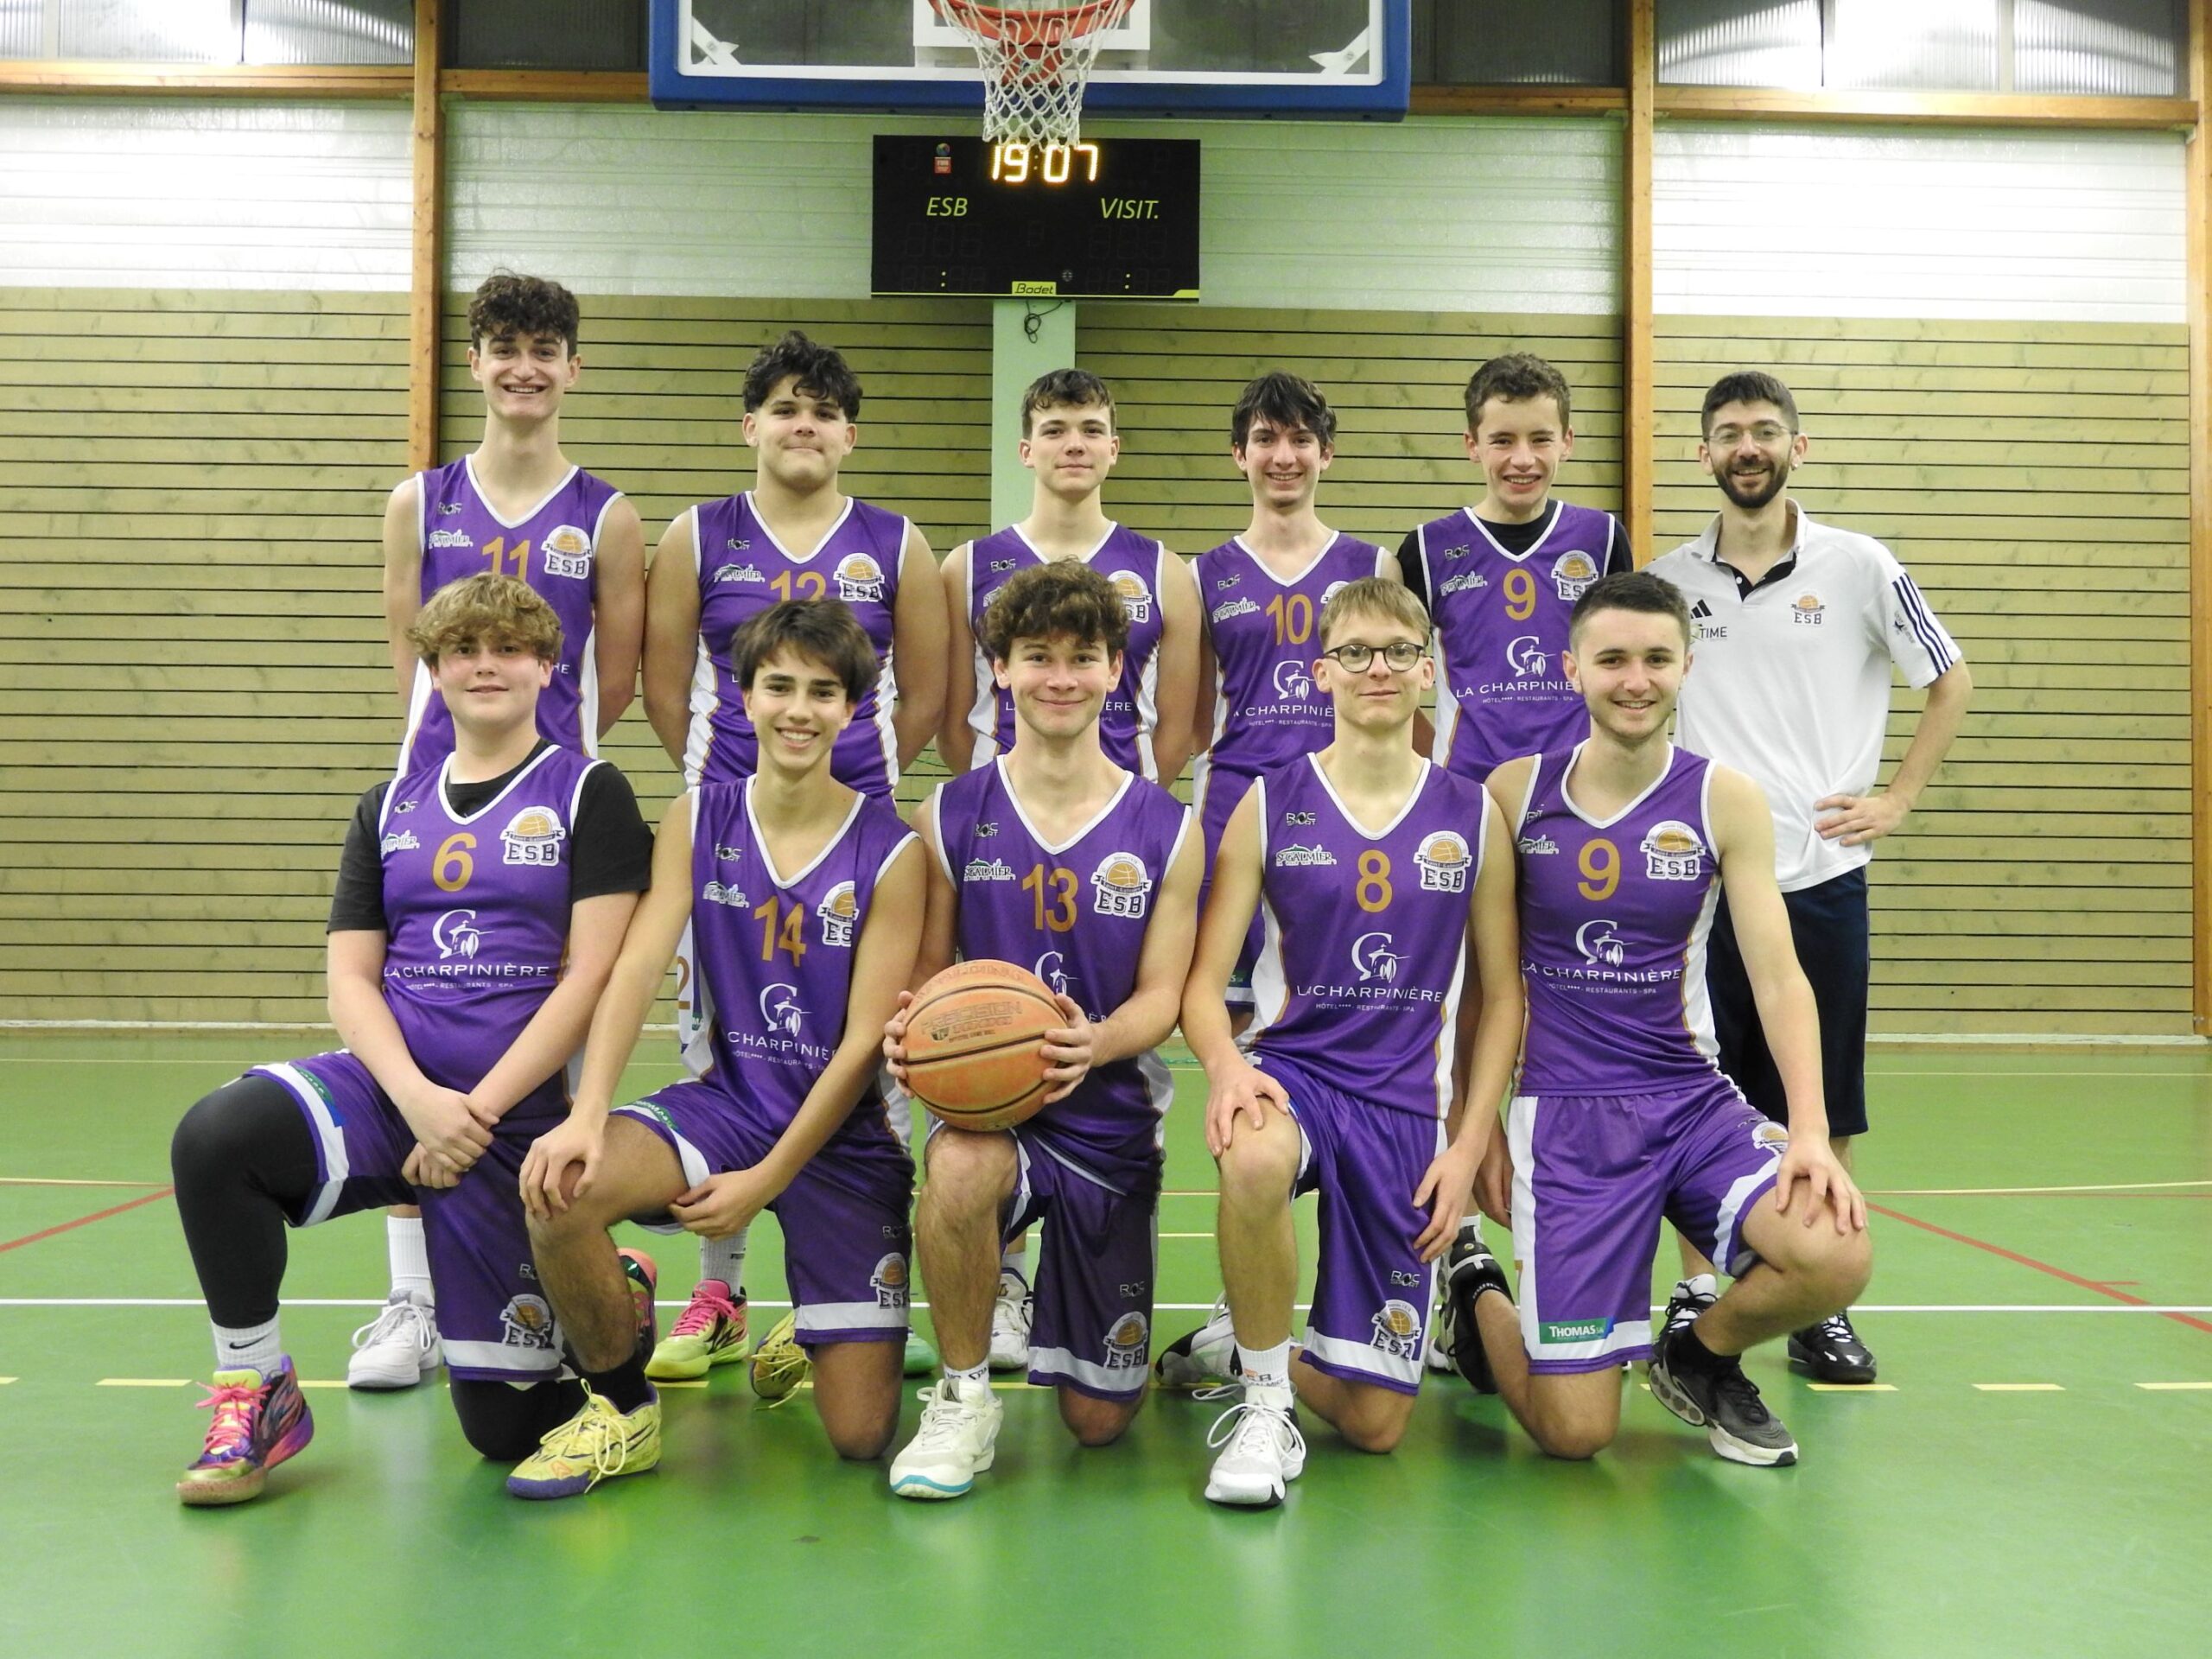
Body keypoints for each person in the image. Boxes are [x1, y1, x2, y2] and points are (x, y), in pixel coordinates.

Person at [168, 575, 652, 1504]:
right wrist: (420, 1103)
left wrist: (474, 1114)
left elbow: (591, 977)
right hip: (397, 1095)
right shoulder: (388, 805)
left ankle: (604, 1287)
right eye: (462, 650)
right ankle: (256, 1384)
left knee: (505, 1433)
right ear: (434, 670)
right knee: (217, 1138)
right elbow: (351, 979)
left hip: (513, 1123)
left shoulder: (589, 791)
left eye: (507, 648)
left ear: (547, 667)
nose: (485, 665)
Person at [1453, 571, 1872, 1467]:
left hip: (1689, 1103)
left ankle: (1697, 1355)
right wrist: (1473, 1123)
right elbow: (1485, 986)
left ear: (1687, 667)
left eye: (1655, 659)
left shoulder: (1725, 798)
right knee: (1574, 1434)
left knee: (1835, 1254)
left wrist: (1808, 1130)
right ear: (1572, 669)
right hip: (1564, 1118)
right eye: (1612, 660)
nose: (1635, 680)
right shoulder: (1513, 793)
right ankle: (1473, 1285)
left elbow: (1778, 978)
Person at [509, 599, 925, 1498]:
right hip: (725, 1102)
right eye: (779, 686)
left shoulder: (894, 852)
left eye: (823, 692)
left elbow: (864, 1040)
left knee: (861, 1438)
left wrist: (767, 1180)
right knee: (561, 1188)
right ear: (743, 696)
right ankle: (624, 1408)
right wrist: (587, 1113)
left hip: (842, 1140)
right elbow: (635, 969)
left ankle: (812, 1323)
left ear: (852, 709)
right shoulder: (698, 818)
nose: (799, 710)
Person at [1166, 578, 1522, 1506]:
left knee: (1374, 1425)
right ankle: (1263, 1403)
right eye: (1355, 653)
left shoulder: (1472, 812)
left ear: (1428, 672)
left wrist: (1468, 1143)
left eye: (1400, 652)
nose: (1378, 669)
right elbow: (1202, 985)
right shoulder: (1265, 802)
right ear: (1321, 673)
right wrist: (1226, 1068)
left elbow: (1501, 997)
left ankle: (1241, 1344)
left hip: (1405, 1107)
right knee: (1252, 1156)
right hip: (1295, 1077)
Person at [1647, 372, 1970, 1384]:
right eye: (1727, 433)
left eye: (1763, 430)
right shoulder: (1667, 582)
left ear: (1797, 446)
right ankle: (1700, 1293)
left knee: (1820, 1094)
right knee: (1703, 1093)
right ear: (1703, 453)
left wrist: (1896, 799)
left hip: (1819, 877)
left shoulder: (1860, 565)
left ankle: (1818, 1311)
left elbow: (1949, 678)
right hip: (1701, 889)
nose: (1745, 447)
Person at [638, 330, 948, 1381]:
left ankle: (874, 1285)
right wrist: (730, 785)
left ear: (849, 435)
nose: (803, 424)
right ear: (751, 427)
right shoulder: (697, 535)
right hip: (733, 836)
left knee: (876, 1057)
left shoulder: (896, 544)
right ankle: (719, 1293)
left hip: (855, 844)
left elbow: (930, 692)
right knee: (716, 1048)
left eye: (822, 411)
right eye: (784, 407)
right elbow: (664, 684)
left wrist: (856, 778)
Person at [359, 271, 645, 1392]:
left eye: (545, 348)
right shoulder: (417, 502)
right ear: (475, 362)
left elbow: (615, 678)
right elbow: (408, 656)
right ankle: (411, 1300)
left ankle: (551, 1273)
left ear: (574, 367)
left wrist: (539, 768)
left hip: (557, 809)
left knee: (552, 1047)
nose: (525, 366)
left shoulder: (607, 516)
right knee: (419, 1033)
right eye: (505, 346)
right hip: (434, 798)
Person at [882, 561, 1200, 1501]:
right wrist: (912, 1028)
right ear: (1001, 670)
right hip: (994, 1113)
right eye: (1036, 657)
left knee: (1098, 1423)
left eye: (1082, 657)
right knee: (958, 1168)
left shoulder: (1169, 828)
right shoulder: (949, 812)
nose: (1060, 677)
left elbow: (1164, 996)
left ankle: (1079, 1333)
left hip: (1112, 1120)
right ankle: (964, 1394)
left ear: (1116, 671)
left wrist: (1093, 1043)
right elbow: (926, 973)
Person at [937, 367, 1199, 1371]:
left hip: (1116, 839)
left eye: (1091, 427)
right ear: (1026, 448)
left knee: (1100, 1410)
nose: (1074, 444)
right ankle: (995, 1289)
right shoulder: (968, 566)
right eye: (1054, 428)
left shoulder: (1162, 570)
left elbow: (1177, 724)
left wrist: (1120, 809)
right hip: (1003, 827)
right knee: (975, 1091)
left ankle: (1075, 1272)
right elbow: (942, 709)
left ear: (1113, 447)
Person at [1397, 353, 1636, 1382]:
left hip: (1577, 820)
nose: (1522, 457)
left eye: (1540, 438)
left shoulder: (1603, 538)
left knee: (1562, 1025)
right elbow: (1403, 678)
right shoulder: (1426, 548)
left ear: (1567, 442)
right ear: (1471, 446)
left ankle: (1560, 1253)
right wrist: (1434, 784)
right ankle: (1455, 1255)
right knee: (1457, 1026)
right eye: (1502, 439)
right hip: (1471, 820)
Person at [1190, 372, 1395, 1021]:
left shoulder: (1372, 567)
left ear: (1325, 453)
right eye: (1265, 439)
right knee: (1231, 1006)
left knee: (1338, 997)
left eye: (1301, 439)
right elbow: (1191, 715)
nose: (1284, 456)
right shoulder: (1202, 575)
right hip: (1232, 804)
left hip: (1344, 804)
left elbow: (1393, 702)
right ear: (1239, 454)